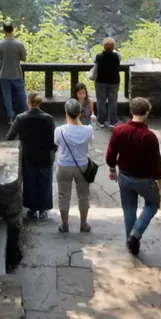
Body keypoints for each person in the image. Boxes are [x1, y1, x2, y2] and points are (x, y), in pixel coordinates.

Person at [106, 97, 161, 256]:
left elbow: (111, 154)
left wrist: (112, 170)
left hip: (124, 177)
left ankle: (131, 242)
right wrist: (159, 180)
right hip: (144, 179)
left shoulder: (119, 130)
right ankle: (135, 234)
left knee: (129, 208)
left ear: (131, 111)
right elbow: (155, 162)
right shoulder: (149, 136)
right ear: (146, 113)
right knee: (153, 204)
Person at [6, 91, 56, 220]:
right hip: (45, 155)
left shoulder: (21, 118)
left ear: (28, 102)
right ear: (40, 103)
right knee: (44, 181)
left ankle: (32, 209)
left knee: (30, 182)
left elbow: (10, 137)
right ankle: (43, 209)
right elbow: (53, 141)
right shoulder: (48, 119)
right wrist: (53, 151)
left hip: (28, 155)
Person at [54, 99, 94, 233]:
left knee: (63, 195)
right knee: (83, 195)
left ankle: (64, 224)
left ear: (66, 113)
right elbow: (91, 141)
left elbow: (57, 143)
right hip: (82, 165)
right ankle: (83, 223)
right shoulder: (88, 130)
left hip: (64, 165)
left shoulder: (59, 130)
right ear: (80, 113)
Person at [0, 22, 28, 124]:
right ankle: (27, 113)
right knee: (22, 94)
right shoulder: (19, 44)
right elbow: (24, 58)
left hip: (4, 74)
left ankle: (11, 117)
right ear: (13, 30)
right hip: (17, 74)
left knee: (7, 96)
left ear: (4, 30)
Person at [93, 37, 121, 129]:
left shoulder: (98, 56)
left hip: (100, 81)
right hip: (114, 82)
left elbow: (94, 62)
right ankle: (113, 122)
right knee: (113, 102)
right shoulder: (117, 56)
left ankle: (101, 121)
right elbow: (119, 58)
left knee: (101, 101)